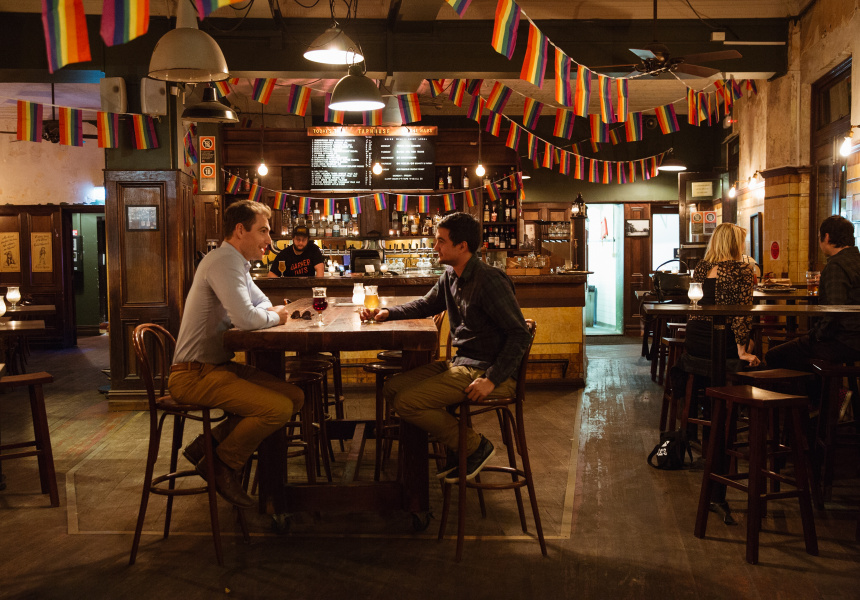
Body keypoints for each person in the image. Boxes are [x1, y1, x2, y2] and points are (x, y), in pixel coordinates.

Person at [361, 212, 532, 483]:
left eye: (441, 241)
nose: (435, 246)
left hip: (489, 372)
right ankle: (457, 447)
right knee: (392, 388)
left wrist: (491, 379)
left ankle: (474, 447)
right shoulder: (451, 275)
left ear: (462, 246)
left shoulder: (489, 280)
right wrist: (388, 312)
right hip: (462, 363)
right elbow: (425, 304)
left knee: (407, 402)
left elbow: (519, 334)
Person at [169, 200, 304, 508]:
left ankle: (208, 444)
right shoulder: (223, 261)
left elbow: (263, 304)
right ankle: (220, 465)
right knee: (278, 408)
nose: (269, 240)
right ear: (240, 230)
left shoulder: (236, 264)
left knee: (294, 396)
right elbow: (247, 318)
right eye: (263, 231)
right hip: (193, 375)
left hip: (216, 367)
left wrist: (267, 314)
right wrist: (276, 317)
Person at [766, 215, 860, 371]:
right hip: (854, 340)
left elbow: (834, 311)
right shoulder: (855, 261)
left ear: (826, 237)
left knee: (774, 355)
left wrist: (817, 335)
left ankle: (815, 386)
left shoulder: (836, 266)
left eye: (819, 237)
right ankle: (823, 383)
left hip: (844, 342)